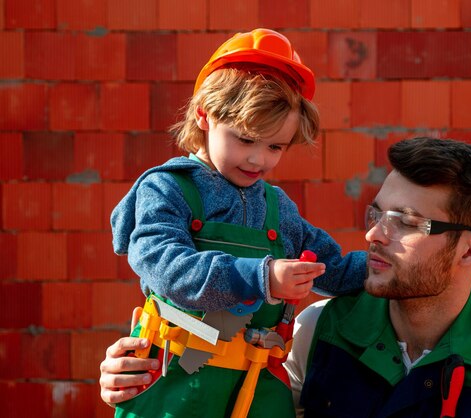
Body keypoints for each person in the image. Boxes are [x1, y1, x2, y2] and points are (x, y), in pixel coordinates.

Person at [101, 137, 471, 418]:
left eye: (406, 222)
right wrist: (150, 372)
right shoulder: (316, 332)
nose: (374, 234)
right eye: (377, 212)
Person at [109, 28, 366, 418]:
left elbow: (333, 268)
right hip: (178, 380)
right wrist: (261, 278)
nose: (258, 160)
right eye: (246, 139)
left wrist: (388, 268)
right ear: (204, 115)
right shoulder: (167, 189)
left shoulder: (277, 207)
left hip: (258, 382)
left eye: (275, 146)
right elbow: (167, 267)